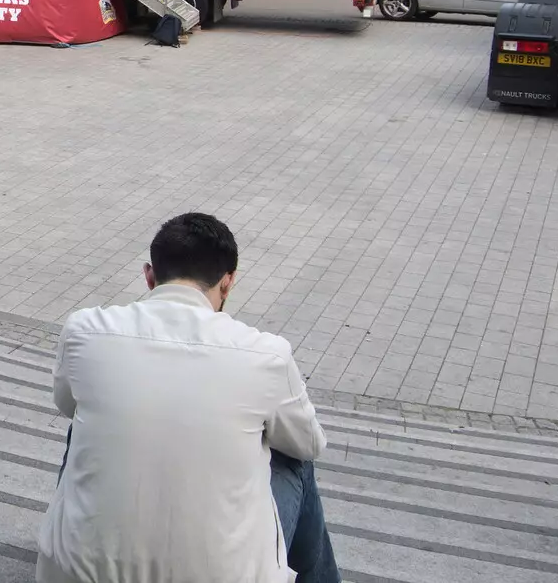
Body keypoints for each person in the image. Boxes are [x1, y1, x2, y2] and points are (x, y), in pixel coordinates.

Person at [37, 212, 337, 583]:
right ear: (227, 284)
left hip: (72, 576)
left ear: (150, 276)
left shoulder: (84, 328)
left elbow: (66, 405)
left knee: (85, 422)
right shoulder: (266, 354)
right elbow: (310, 444)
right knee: (294, 457)